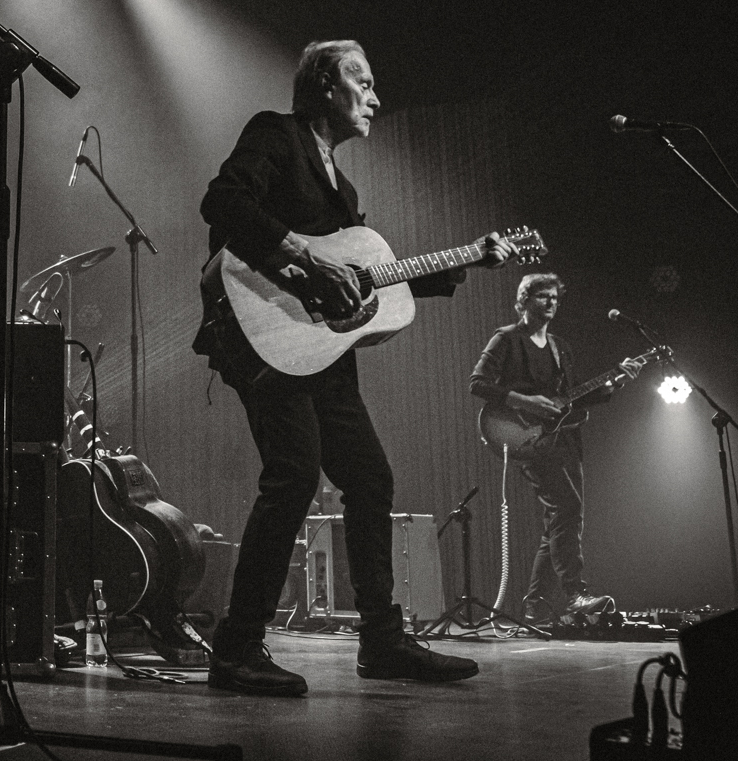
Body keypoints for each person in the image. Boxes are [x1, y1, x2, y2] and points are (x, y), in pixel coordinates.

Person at [193, 40, 510, 695]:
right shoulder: (276, 134)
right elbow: (223, 201)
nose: (375, 97)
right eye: (361, 82)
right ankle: (236, 648)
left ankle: (383, 642)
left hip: (322, 353)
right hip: (259, 331)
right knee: (294, 475)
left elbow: (365, 280)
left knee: (369, 479)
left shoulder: (346, 190)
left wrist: (462, 262)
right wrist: (305, 261)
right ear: (323, 86)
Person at [469, 273, 635, 625]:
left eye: (555, 298)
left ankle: (536, 604)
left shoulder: (561, 347)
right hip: (523, 435)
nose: (551, 302)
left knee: (562, 518)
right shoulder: (506, 339)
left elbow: (569, 400)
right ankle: (575, 593)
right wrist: (524, 401)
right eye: (543, 296)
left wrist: (613, 383)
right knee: (566, 508)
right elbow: (478, 383)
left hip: (562, 439)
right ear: (524, 300)